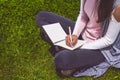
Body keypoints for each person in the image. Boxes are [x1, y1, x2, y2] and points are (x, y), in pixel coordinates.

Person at [36, 0, 120, 78]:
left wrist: (81, 46)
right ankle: (66, 49)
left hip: (101, 49)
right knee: (42, 17)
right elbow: (83, 15)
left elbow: (108, 40)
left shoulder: (117, 7)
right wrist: (74, 35)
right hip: (84, 33)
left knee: (61, 59)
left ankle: (63, 48)